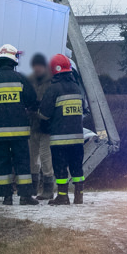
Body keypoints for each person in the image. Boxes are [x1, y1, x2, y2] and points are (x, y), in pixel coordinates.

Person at [0, 44, 39, 205]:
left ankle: (6, 197)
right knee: (22, 162)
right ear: (13, 62)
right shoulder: (21, 79)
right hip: (19, 131)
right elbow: (32, 100)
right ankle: (25, 196)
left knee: (2, 163)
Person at [39, 54, 85, 205]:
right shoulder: (77, 88)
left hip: (60, 139)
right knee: (77, 168)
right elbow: (83, 109)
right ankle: (79, 196)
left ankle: (63, 196)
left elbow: (44, 114)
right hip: (78, 139)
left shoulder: (53, 89)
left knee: (60, 169)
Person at [27, 53, 55, 201]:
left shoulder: (51, 81)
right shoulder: (30, 80)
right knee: (32, 158)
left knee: (45, 157)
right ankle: (33, 187)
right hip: (32, 125)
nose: (37, 68)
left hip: (46, 127)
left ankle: (48, 189)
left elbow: (50, 103)